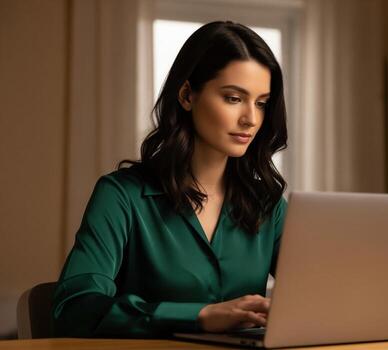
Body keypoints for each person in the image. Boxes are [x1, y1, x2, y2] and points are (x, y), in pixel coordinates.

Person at [51, 21, 288, 338]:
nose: (252, 119)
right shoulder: (121, 196)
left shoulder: (268, 204)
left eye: (261, 103)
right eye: (234, 98)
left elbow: (318, 296)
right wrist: (200, 316)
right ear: (187, 95)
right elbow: (75, 309)